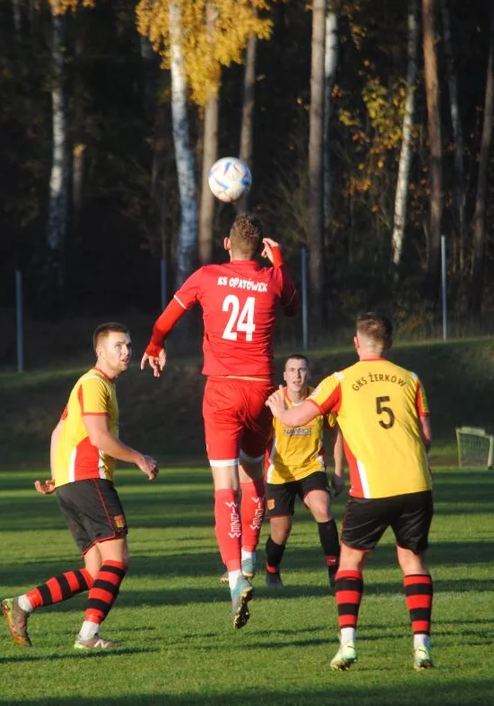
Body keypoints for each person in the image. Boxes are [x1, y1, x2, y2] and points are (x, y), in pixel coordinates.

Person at [141, 213, 298, 628]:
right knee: (253, 475)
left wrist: (156, 345)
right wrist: (278, 261)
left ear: (226, 244)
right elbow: (293, 306)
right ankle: (248, 555)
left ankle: (234, 579)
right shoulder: (270, 279)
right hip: (261, 391)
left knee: (224, 486)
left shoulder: (206, 276)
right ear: (260, 248)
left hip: (223, 392)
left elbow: (164, 321)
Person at [267, 313, 434, 672]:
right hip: (418, 485)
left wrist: (278, 408)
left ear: (357, 342)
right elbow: (427, 439)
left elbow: (296, 419)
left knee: (350, 563)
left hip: (373, 490)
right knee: (413, 563)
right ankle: (422, 647)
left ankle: (347, 645)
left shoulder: (340, 380)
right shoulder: (411, 379)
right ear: (389, 344)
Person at [0, 323, 158, 650]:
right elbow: (98, 437)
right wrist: (139, 458)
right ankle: (87, 636)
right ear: (100, 351)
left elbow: (59, 431)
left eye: (128, 345)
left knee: (95, 570)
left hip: (73, 484)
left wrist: (58, 477)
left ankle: (22, 604)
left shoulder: (91, 385)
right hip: (89, 479)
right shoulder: (95, 383)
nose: (127, 351)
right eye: (119, 346)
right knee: (118, 560)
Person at [262, 353, 344, 589]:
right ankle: (272, 570)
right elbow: (259, 440)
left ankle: (334, 571)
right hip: (280, 473)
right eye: (292, 370)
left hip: (311, 468)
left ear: (308, 373)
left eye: (302, 370)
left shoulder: (319, 399)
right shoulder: (274, 402)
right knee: (281, 530)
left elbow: (336, 433)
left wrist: (339, 471)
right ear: (284, 375)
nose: (297, 375)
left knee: (322, 508)